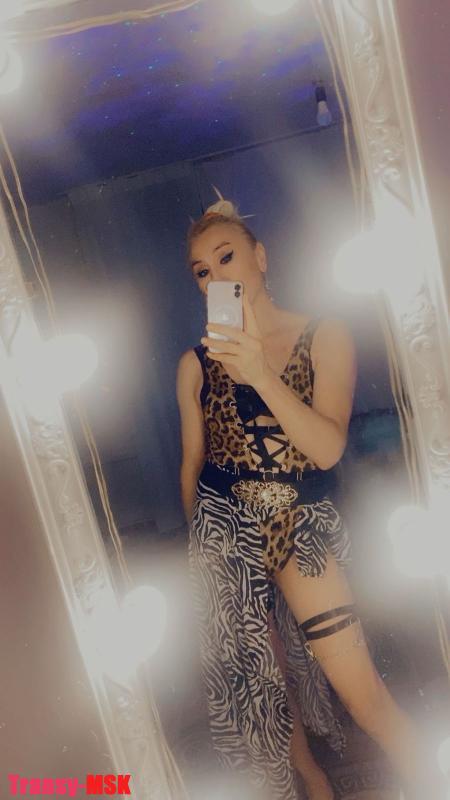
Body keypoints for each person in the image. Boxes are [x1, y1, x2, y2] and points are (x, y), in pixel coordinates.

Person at [176, 199, 439, 800]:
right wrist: (202, 553)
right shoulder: (195, 365)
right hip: (225, 529)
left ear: (261, 258)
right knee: (267, 684)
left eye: (226, 257)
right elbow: (193, 465)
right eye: (201, 270)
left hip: (299, 526)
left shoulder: (324, 334)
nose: (215, 276)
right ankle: (315, 784)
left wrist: (259, 373)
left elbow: (326, 449)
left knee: (362, 691)